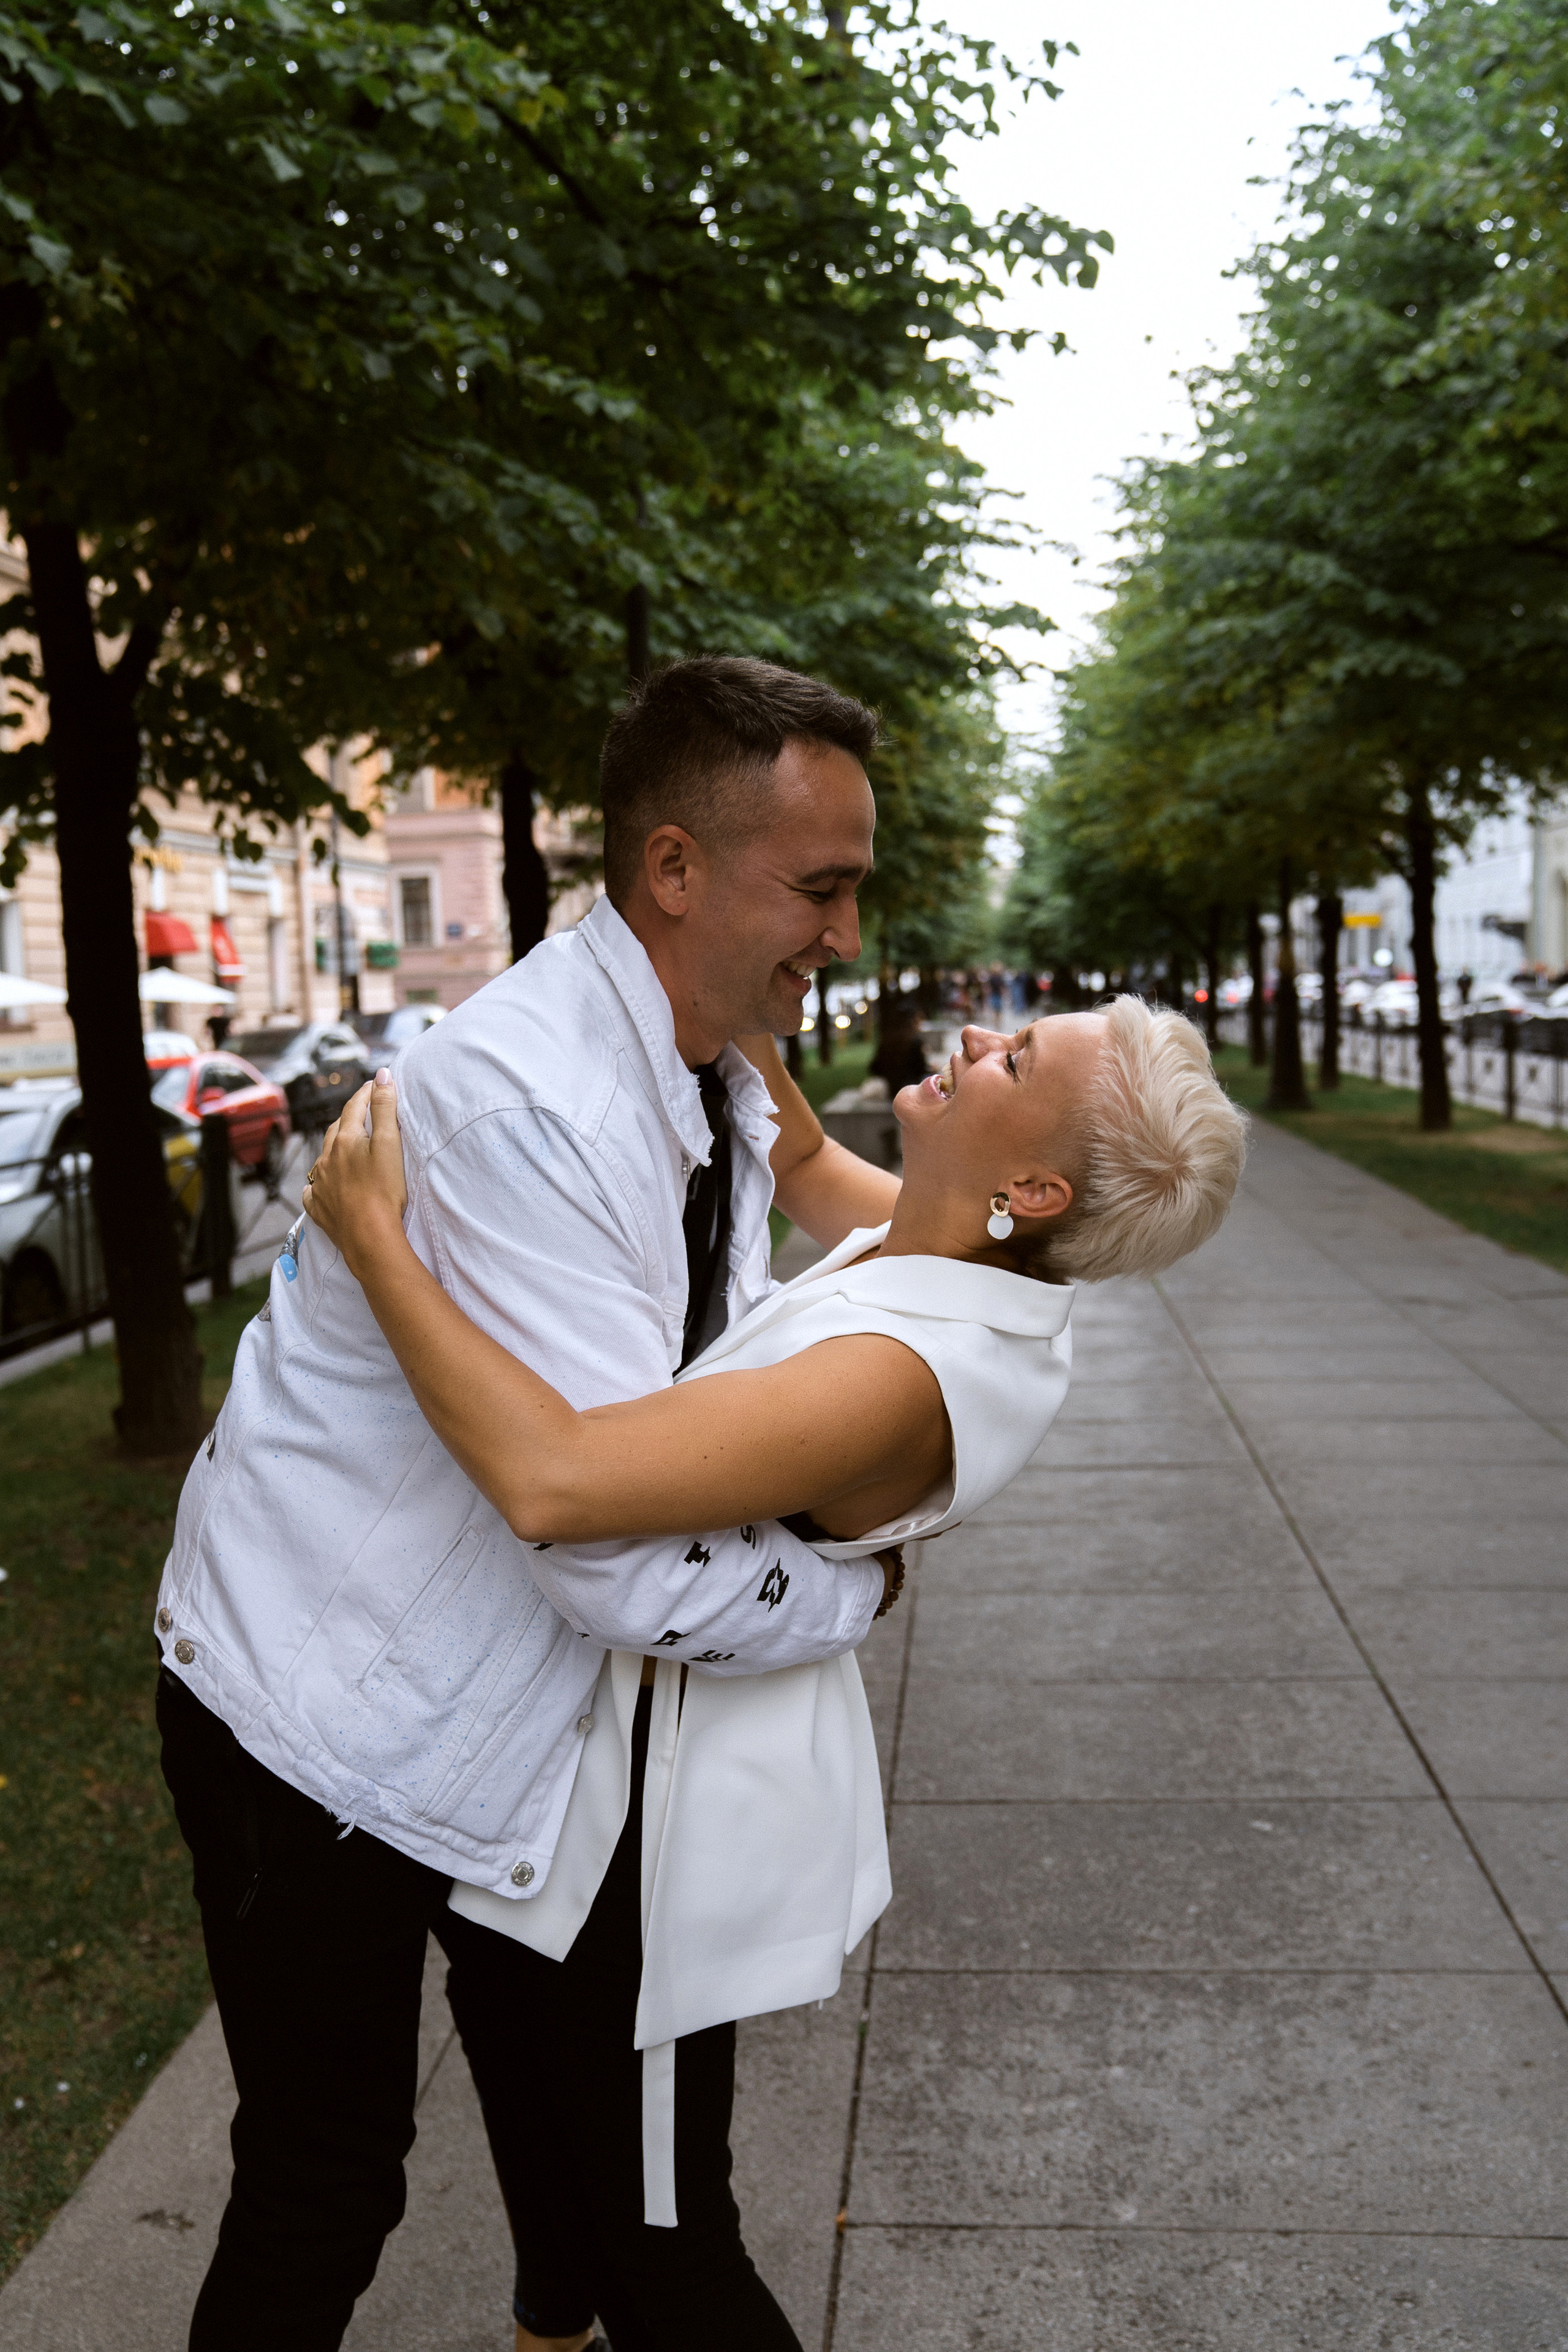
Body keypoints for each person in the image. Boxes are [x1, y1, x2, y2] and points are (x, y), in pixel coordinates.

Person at [155, 657, 908, 2352]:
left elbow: (839, 1277)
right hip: (314, 1722)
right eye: (823, 888)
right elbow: (610, 1542)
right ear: (671, 869)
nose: (846, 937)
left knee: (604, 2150)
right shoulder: (531, 1101)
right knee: (326, 2178)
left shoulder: (710, 1069)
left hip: (523, 1719)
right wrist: (857, 1591)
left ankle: (555, 2312)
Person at [299, 990, 1247, 2337]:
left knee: (673, 2245)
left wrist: (378, 1242)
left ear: (1030, 1183)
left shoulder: (905, 1367)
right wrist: (727, 973)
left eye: (1015, 1058)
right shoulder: (948, 1241)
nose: (976, 1039)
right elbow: (798, 1154)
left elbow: (556, 1482)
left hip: (660, 1838)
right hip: (586, 1771)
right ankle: (547, 2324)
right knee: (535, 2083)